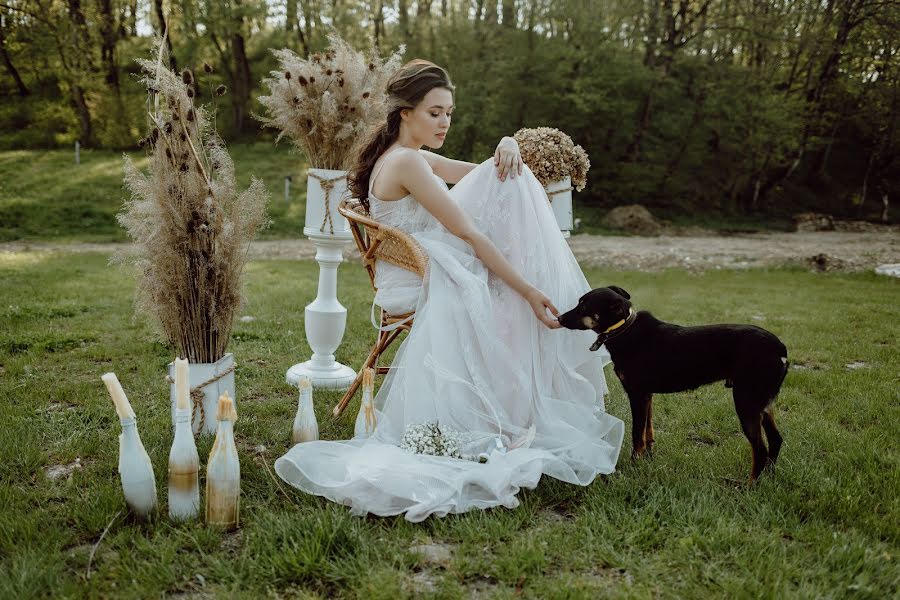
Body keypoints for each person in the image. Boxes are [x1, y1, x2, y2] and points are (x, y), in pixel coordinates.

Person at [275, 60, 624, 522]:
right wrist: (528, 289)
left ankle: (516, 409)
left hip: (425, 263)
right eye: (435, 112)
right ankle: (516, 416)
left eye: (449, 113)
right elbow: (471, 235)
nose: (444, 122)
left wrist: (508, 145)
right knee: (506, 290)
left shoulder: (408, 156)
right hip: (419, 276)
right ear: (405, 113)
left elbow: (481, 172)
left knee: (513, 181)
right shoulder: (406, 161)